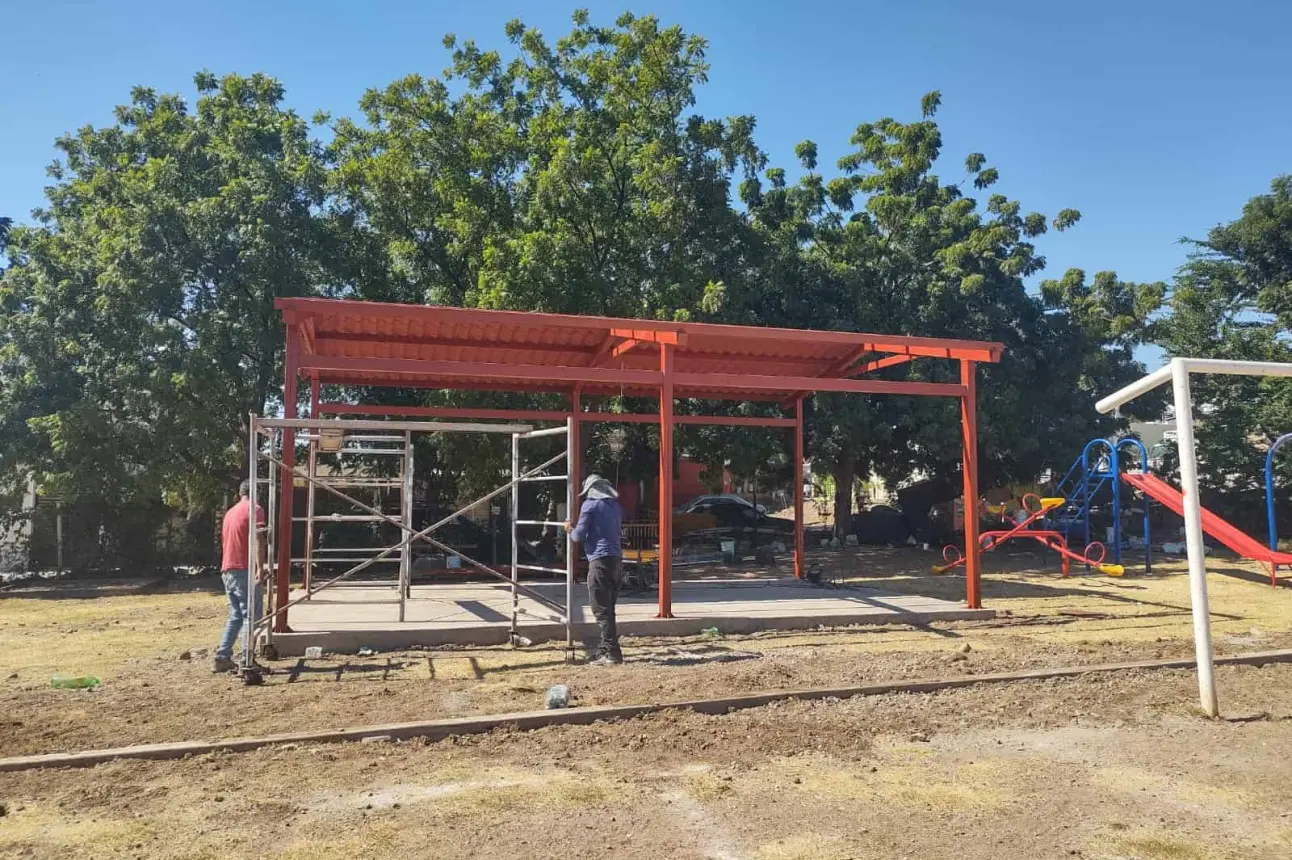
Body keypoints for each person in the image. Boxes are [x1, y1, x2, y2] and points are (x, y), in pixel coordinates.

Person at [567, 474, 624, 665]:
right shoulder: (616, 507)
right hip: (616, 560)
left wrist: (568, 529)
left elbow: (578, 536)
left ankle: (612, 654)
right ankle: (605, 650)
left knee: (600, 609)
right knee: (609, 609)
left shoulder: (589, 506)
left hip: (599, 560)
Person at [213, 479, 267, 673]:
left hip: (228, 569)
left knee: (236, 615)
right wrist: (261, 568)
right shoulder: (255, 509)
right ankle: (247, 659)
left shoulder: (230, 512)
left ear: (239, 494)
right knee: (251, 616)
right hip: (244, 570)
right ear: (257, 493)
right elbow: (258, 539)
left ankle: (222, 656)